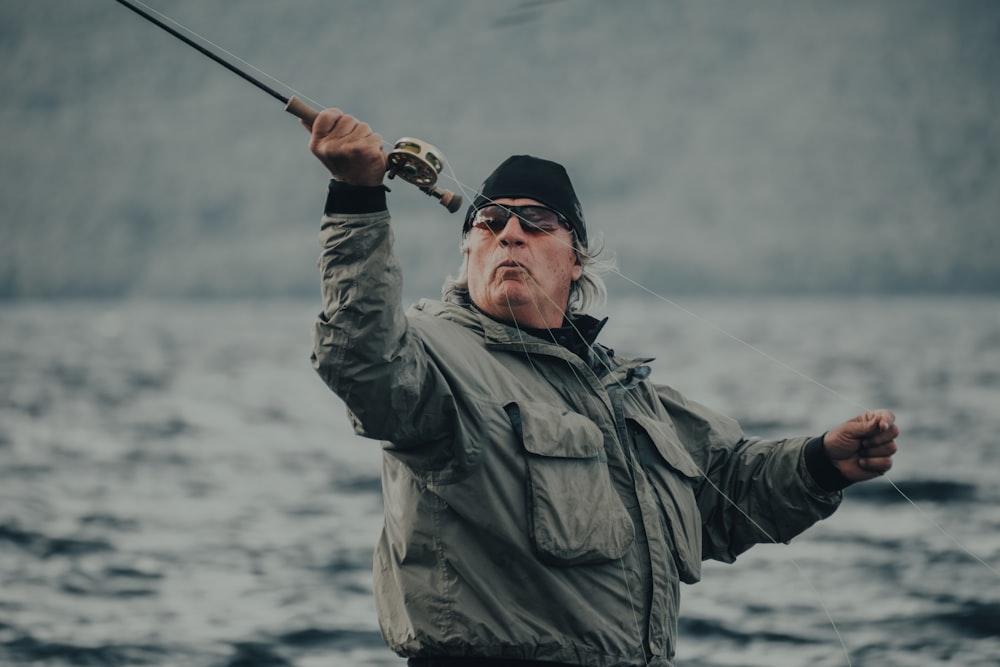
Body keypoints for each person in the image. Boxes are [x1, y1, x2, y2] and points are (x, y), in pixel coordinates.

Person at [303, 109, 900, 667]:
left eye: (536, 222)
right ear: (468, 251)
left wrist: (823, 462)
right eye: (489, 221)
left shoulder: (632, 396)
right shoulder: (433, 356)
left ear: (578, 258)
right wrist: (357, 200)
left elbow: (728, 493)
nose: (510, 233)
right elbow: (364, 361)